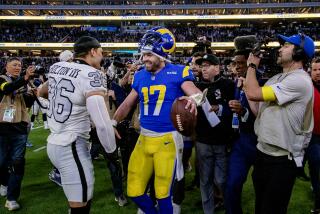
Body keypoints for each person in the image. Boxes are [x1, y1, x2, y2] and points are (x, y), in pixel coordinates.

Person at [112, 27, 204, 214]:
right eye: (143, 54)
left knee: (163, 194)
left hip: (167, 139)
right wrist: (113, 122)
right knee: (134, 190)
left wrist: (192, 100)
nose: (144, 58)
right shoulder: (140, 75)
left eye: (148, 54)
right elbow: (128, 104)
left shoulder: (179, 72)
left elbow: (197, 94)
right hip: (144, 137)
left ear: (161, 54)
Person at [42, 36, 116, 213]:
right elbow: (103, 124)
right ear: (92, 51)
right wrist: (112, 153)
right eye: (100, 52)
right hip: (72, 145)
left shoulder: (56, 67)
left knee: (76, 199)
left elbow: (41, 91)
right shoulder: (92, 74)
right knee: (81, 205)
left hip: (54, 142)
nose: (102, 56)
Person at [244, 33, 315, 214]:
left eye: (286, 46)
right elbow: (258, 110)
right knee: (261, 207)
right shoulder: (276, 79)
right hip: (263, 153)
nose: (280, 49)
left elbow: (253, 93)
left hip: (282, 159)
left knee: (272, 209)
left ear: (299, 52)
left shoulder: (299, 80)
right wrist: (246, 86)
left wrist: (252, 65)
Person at [195, 54, 234, 214]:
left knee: (220, 179)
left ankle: (227, 203)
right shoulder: (195, 86)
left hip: (221, 140)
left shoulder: (228, 85)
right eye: (202, 65)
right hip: (203, 140)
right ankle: (208, 211)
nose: (203, 68)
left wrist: (221, 108)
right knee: (205, 180)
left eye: (207, 65)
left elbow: (236, 109)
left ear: (217, 68)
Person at [225, 38, 260, 214]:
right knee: (232, 184)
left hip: (259, 141)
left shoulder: (260, 82)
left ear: (249, 62)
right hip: (240, 141)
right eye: (235, 63)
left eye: (241, 63)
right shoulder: (236, 83)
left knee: (262, 186)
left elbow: (262, 115)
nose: (237, 66)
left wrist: (243, 111)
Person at [0, 57, 36, 211]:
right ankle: (3, 182)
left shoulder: (24, 83)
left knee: (17, 163)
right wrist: (25, 79)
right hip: (2, 128)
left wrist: (32, 94)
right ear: (6, 66)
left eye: (19, 65)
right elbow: (7, 89)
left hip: (20, 128)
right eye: (14, 64)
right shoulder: (1, 79)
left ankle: (12, 198)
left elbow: (27, 103)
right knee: (2, 162)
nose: (17, 67)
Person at [48, 50, 74, 187]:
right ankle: (59, 173)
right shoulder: (74, 73)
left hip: (58, 118)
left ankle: (59, 173)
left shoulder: (54, 72)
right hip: (67, 119)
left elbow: (42, 91)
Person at [307, 57, 320, 214]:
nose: (317, 73)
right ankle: (318, 204)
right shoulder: (307, 87)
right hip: (313, 136)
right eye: (315, 70)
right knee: (315, 165)